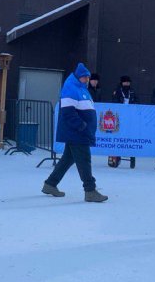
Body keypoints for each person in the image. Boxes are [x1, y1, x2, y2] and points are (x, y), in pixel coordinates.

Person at [42, 63, 107, 202]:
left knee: (67, 159)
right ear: (79, 77)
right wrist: (82, 126)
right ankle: (90, 191)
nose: (87, 80)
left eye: (88, 78)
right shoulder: (71, 88)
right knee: (84, 160)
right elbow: (67, 112)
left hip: (78, 132)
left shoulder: (81, 88)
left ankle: (50, 184)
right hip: (77, 133)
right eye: (85, 77)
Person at [110, 76, 139, 168]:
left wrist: (133, 104)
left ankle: (131, 158)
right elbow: (113, 101)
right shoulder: (117, 91)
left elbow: (138, 101)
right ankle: (115, 158)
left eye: (128, 82)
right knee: (117, 136)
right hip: (119, 117)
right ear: (122, 83)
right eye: (125, 82)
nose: (127, 84)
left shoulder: (132, 91)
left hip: (130, 118)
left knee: (130, 136)